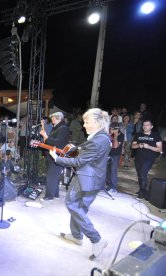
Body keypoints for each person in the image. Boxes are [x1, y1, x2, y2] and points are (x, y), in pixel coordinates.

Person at [48, 108, 111, 260]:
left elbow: (78, 161)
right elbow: (86, 151)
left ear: (96, 123)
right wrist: (77, 149)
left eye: (87, 122)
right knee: (80, 207)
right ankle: (76, 236)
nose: (84, 125)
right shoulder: (103, 136)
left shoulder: (97, 141)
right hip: (95, 179)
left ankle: (96, 239)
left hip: (86, 179)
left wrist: (57, 158)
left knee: (72, 204)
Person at [40, 112, 70, 201]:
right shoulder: (57, 127)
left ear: (58, 119)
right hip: (53, 155)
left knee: (51, 176)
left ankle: (49, 196)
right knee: (54, 176)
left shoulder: (63, 128)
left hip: (57, 155)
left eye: (53, 119)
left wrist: (46, 136)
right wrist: (46, 138)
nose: (52, 121)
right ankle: (55, 194)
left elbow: (57, 142)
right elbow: (51, 141)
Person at [131, 119, 162, 199]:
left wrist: (149, 147)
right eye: (144, 125)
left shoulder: (156, 135)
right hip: (138, 157)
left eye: (147, 125)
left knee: (143, 173)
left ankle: (144, 193)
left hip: (149, 158)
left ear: (151, 126)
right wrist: (138, 145)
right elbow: (132, 146)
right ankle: (141, 189)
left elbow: (159, 149)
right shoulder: (138, 135)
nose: (145, 126)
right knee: (139, 175)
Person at [106, 123, 124, 193]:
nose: (113, 130)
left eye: (115, 128)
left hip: (115, 155)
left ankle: (114, 188)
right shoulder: (108, 134)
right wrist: (110, 135)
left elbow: (115, 146)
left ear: (118, 129)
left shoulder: (121, 135)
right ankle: (108, 185)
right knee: (107, 171)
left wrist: (115, 136)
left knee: (113, 171)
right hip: (108, 154)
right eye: (111, 128)